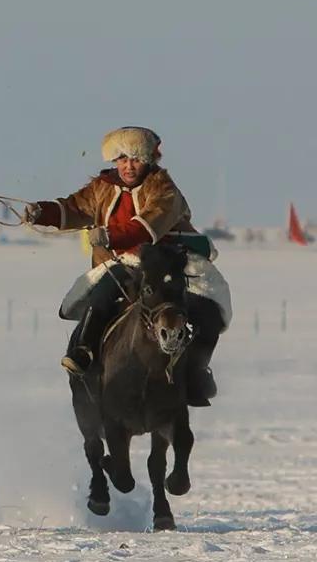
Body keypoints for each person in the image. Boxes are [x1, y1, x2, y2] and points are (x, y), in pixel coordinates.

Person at [24, 127, 231, 406]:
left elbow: (151, 224)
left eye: (135, 159)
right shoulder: (102, 187)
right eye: (122, 159)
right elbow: (74, 209)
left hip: (170, 257)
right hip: (124, 261)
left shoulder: (163, 188)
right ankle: (84, 352)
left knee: (209, 310)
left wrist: (111, 236)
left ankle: (196, 371)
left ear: (148, 161)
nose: (128, 166)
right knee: (99, 296)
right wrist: (41, 212)